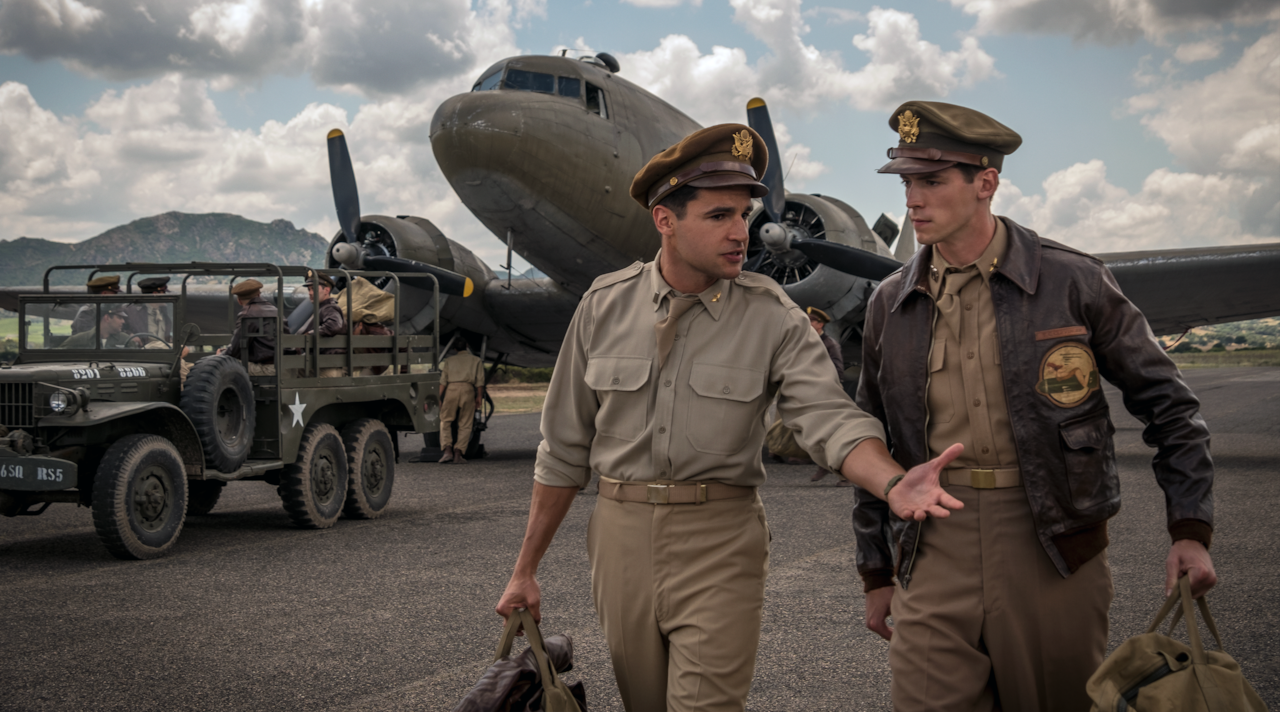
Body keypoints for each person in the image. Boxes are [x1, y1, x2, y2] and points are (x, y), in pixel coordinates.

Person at [495, 123, 967, 712]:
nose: (742, 232)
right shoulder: (602, 304)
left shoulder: (772, 314)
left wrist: (892, 480)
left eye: (744, 214)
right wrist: (525, 570)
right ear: (665, 220)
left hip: (720, 539)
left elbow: (828, 418)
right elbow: (562, 449)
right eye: (720, 216)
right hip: (618, 539)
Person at [853, 101, 1217, 712]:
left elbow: (1170, 406)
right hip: (932, 543)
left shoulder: (1074, 280)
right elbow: (871, 436)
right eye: (907, 181)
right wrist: (875, 574)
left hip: (1051, 543)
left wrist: (1190, 529)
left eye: (933, 180)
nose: (914, 198)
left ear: (986, 183)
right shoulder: (891, 301)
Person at [805, 306, 847, 483]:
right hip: (814, 392)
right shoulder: (809, 342)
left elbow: (838, 370)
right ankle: (824, 466)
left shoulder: (830, 344)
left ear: (820, 324)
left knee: (831, 434)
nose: (807, 323)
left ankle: (844, 474)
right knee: (817, 434)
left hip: (828, 393)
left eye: (811, 321)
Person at [437, 342, 486, 464]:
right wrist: (479, 396)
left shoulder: (449, 360)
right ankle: (458, 453)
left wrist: (438, 397)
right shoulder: (476, 360)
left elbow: (443, 380)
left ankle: (447, 451)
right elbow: (480, 380)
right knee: (465, 423)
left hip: (451, 390)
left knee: (445, 420)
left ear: (454, 348)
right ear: (467, 346)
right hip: (467, 390)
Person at [217, 279, 280, 375]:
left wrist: (220, 356)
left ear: (239, 301)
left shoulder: (247, 314)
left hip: (267, 369)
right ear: (259, 295)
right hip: (284, 366)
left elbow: (235, 350)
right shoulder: (274, 310)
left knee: (217, 365)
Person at [293, 271, 346, 377]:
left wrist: (309, 334)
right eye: (309, 289)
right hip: (319, 363)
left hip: (324, 365)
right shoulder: (322, 308)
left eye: (314, 289)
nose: (310, 293)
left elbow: (334, 325)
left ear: (326, 290)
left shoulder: (329, 308)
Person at [60, 307, 132, 349]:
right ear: (107, 318)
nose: (123, 321)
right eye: (119, 317)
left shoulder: (126, 340)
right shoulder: (79, 339)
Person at [127, 276, 174, 340]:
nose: (166, 296)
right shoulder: (131, 312)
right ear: (155, 294)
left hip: (164, 348)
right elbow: (120, 330)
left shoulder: (164, 311)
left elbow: (166, 335)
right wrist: (130, 335)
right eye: (163, 292)